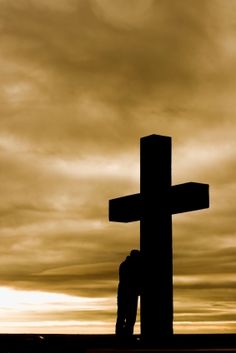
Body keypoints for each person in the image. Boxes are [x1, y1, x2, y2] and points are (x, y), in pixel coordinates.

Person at [116, 249, 141, 336]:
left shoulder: (124, 265)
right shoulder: (131, 266)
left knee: (123, 316)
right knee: (128, 316)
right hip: (129, 294)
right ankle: (125, 335)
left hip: (125, 293)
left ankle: (123, 335)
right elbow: (133, 281)